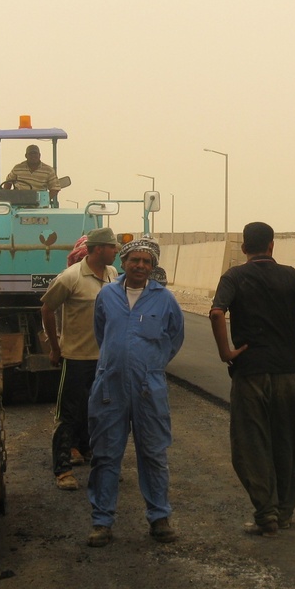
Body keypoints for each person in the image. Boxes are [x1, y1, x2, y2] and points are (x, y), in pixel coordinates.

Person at [209, 222, 295, 537]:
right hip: (288, 372)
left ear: (244, 248)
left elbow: (216, 313)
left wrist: (226, 351)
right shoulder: (291, 276)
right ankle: (285, 512)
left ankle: (266, 513)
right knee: (286, 442)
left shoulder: (234, 276)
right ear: (272, 245)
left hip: (250, 372)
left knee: (250, 443)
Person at [87, 237, 184, 548]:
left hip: (148, 389)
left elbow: (175, 338)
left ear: (153, 266)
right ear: (124, 263)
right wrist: (118, 361)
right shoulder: (107, 295)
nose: (140, 266)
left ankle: (159, 517)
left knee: (154, 453)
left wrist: (150, 366)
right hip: (110, 387)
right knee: (105, 455)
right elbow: (102, 333)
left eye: (146, 261)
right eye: (134, 260)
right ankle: (102, 521)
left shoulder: (165, 300)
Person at [41, 227, 120, 492]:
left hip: (105, 360)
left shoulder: (112, 275)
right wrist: (55, 347)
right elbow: (47, 309)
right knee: (68, 415)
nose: (116, 251)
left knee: (102, 413)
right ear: (98, 249)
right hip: (76, 358)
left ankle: (100, 462)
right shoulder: (70, 278)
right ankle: (63, 470)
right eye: (112, 247)